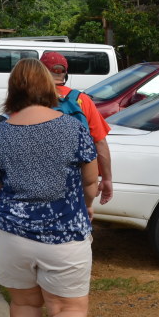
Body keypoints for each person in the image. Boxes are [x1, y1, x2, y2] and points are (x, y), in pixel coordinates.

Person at [0, 58, 98, 317]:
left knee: (25, 305)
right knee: (67, 308)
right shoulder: (74, 127)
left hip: (12, 237)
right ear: (48, 85)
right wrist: (86, 207)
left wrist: (0, 221)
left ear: (13, 90)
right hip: (66, 235)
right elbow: (90, 182)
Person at [40, 51, 114, 205]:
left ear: (41, 71)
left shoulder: (31, 98)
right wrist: (107, 178)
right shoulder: (82, 100)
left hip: (40, 181)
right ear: (64, 73)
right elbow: (99, 142)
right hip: (76, 181)